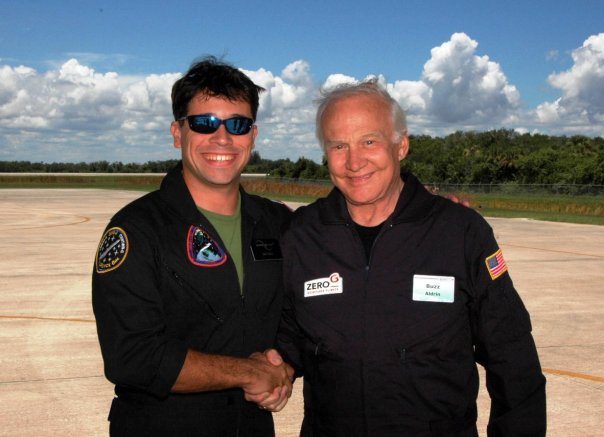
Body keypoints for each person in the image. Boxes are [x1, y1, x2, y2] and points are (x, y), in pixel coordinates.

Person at [277, 79, 547, 436]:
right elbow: (286, 336)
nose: (354, 161)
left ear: (400, 145)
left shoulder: (461, 233)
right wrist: (271, 367)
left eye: (369, 141)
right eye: (338, 145)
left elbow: (513, 360)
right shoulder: (302, 235)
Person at [92, 56, 293, 436]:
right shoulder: (136, 230)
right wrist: (249, 372)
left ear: (253, 134)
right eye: (204, 123)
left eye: (237, 124)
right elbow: (132, 356)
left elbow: (306, 307)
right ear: (176, 132)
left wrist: (284, 366)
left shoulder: (278, 223)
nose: (222, 138)